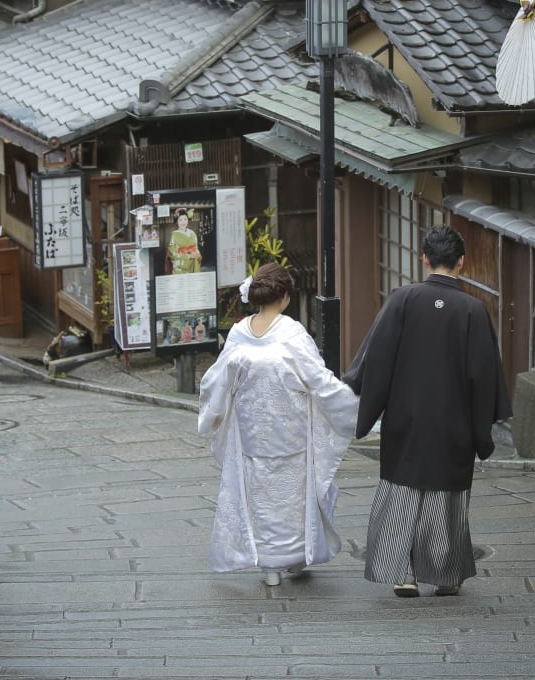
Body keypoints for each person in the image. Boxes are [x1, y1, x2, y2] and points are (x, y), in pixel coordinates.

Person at [351, 224, 511, 598]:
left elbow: (376, 358)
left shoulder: (402, 299)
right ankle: (445, 574)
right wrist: (481, 428)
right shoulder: (473, 309)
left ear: (423, 258)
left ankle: (402, 573)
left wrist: (362, 397)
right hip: (453, 422)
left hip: (405, 418)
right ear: (462, 262)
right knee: (446, 500)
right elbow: (484, 376)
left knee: (402, 495)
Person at [198, 263, 359, 587]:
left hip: (252, 436)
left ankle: (270, 565)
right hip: (291, 432)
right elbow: (319, 381)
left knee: (260, 499)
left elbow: (216, 381)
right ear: (285, 296)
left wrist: (212, 416)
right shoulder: (291, 333)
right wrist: (353, 407)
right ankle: (296, 556)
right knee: (293, 500)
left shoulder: (239, 333)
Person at [167, 207, 202, 274]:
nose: (183, 222)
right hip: (180, 268)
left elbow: (196, 248)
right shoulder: (174, 235)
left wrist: (197, 254)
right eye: (180, 220)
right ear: (177, 222)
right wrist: (189, 256)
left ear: (188, 220)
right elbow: (172, 254)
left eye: (185, 219)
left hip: (192, 265)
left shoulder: (193, 233)